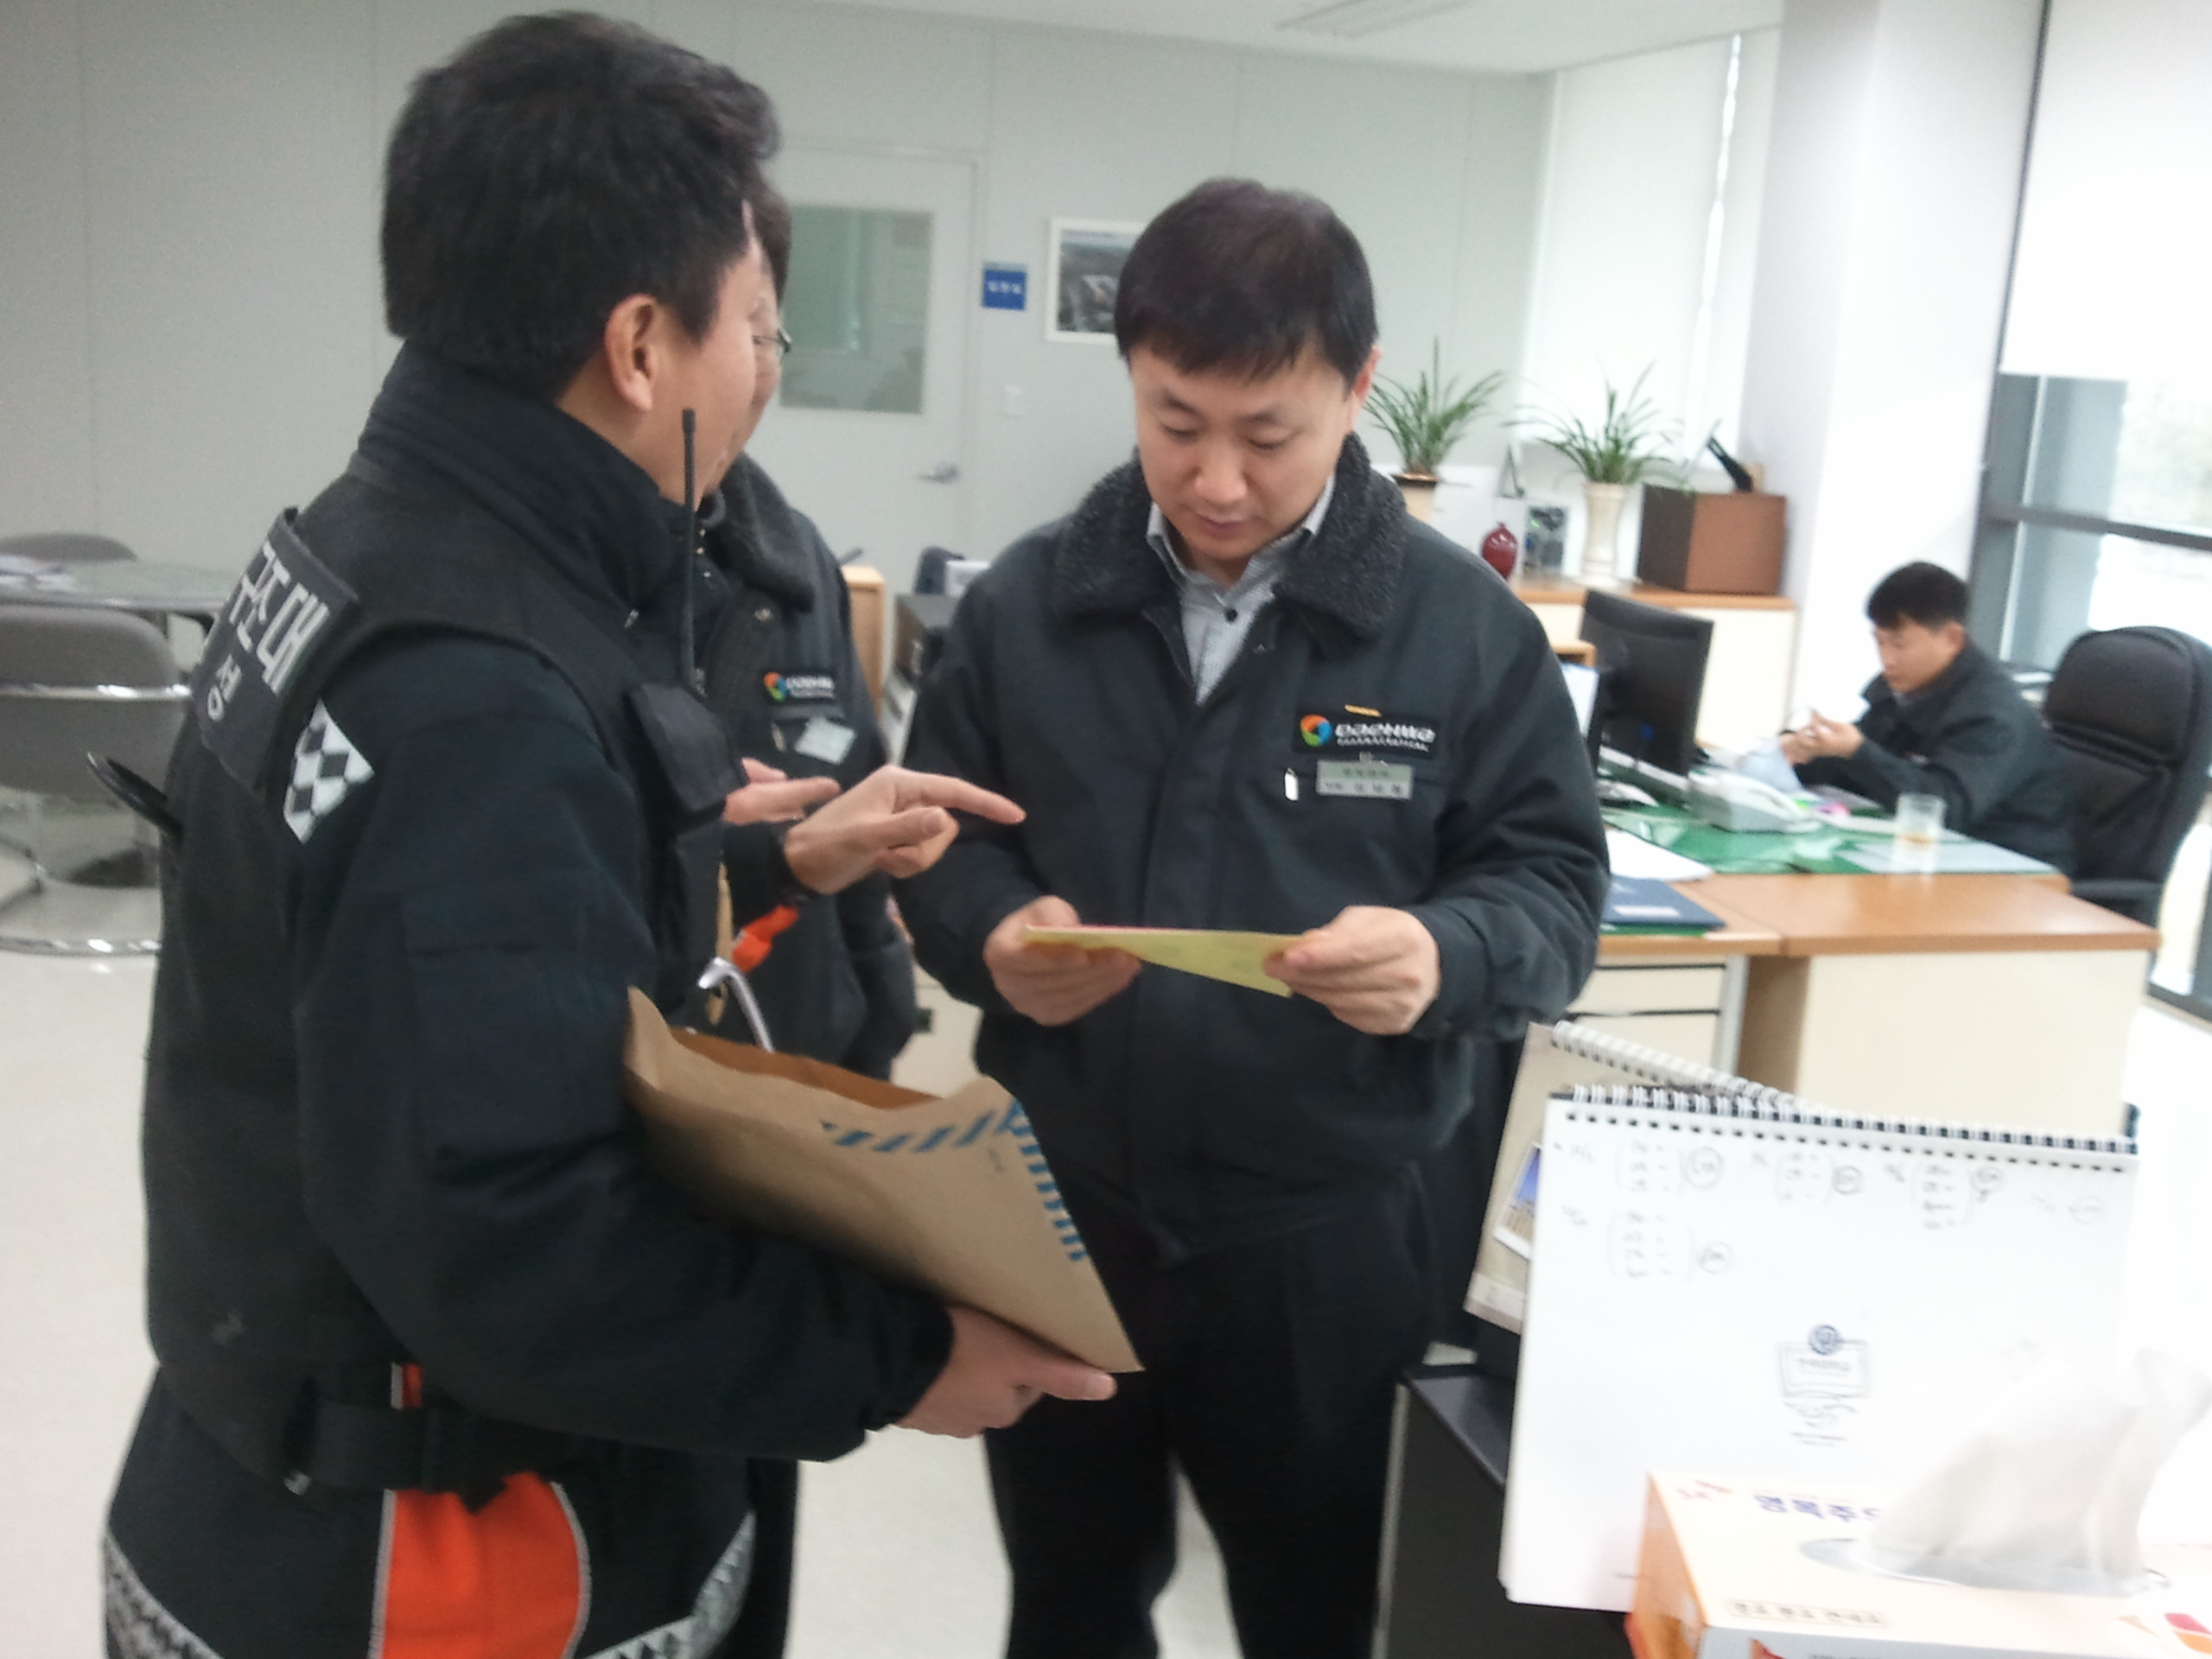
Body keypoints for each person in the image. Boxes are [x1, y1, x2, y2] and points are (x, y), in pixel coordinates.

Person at [103, 17, 1112, 1658]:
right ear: (642, 344)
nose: (762, 370)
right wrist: (902, 1354)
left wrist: (762, 863)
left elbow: (420, 961)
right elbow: (515, 1243)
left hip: (255, 1446)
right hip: (434, 1554)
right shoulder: (480, 688)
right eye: (753, 325)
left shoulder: (359, 547)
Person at [896, 178, 1609, 1659]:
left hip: (1323, 1229)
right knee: (1070, 1603)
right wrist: (995, 937)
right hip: (1064, 1206)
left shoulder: (1463, 634)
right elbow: (938, 847)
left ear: (1358, 387)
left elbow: (1552, 894)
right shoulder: (1030, 605)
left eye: (1267, 434)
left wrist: (1445, 955)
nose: (1216, 479)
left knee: (1316, 1609)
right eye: (1175, 422)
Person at [695, 192, 918, 1075]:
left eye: (768, 338)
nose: (752, 374)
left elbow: (858, 809)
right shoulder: (547, 587)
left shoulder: (791, 560)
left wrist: (879, 1026)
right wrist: (740, 853)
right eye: (734, 335)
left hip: (801, 1074)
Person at [1783, 560, 2074, 868]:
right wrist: (1805, 751)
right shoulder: (1905, 689)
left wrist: (1856, 752)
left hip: (2012, 870)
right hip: (1940, 856)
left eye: (1899, 644)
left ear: (1952, 639)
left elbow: (1943, 809)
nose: (1887, 659)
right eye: (1880, 642)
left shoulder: (1992, 716)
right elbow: (1866, 767)